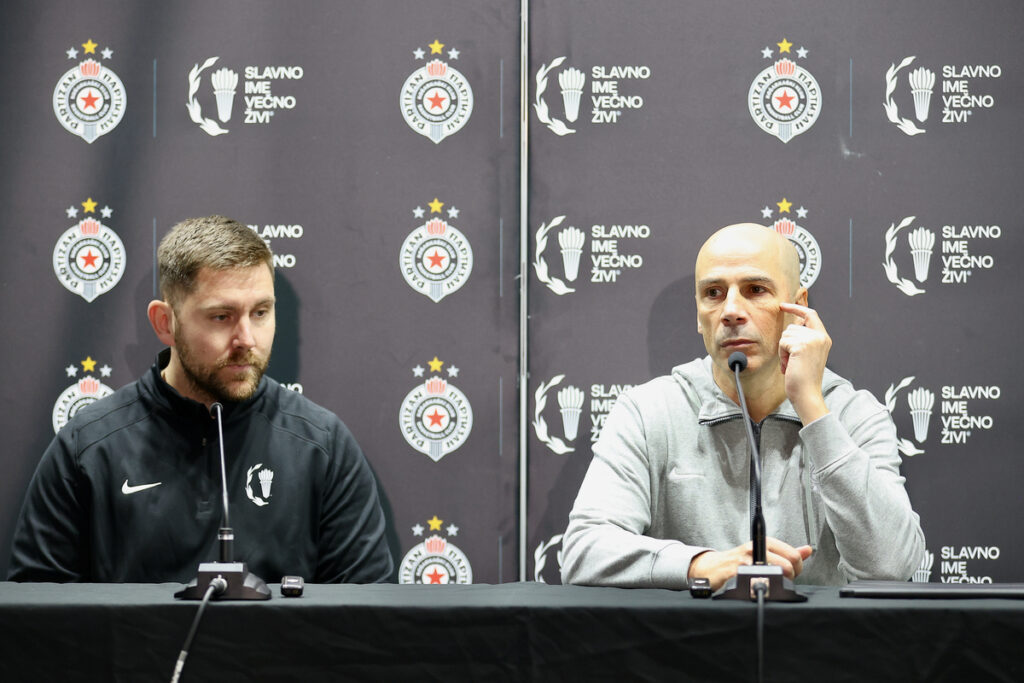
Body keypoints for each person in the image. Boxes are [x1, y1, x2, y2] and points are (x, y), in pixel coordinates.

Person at [9, 215, 394, 584]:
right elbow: (39, 621)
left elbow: (365, 619)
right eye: (221, 317)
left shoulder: (323, 446)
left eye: (261, 313)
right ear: (165, 323)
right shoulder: (88, 448)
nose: (247, 340)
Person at [560, 223, 925, 590]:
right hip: (685, 642)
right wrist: (702, 565)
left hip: (816, 642)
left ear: (798, 308)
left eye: (755, 290)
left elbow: (891, 567)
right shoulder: (648, 411)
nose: (731, 311)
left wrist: (812, 407)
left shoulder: (853, 414)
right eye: (714, 293)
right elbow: (583, 551)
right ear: (699, 315)